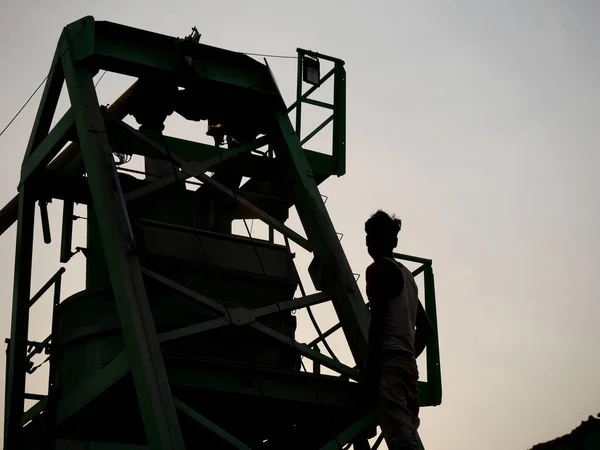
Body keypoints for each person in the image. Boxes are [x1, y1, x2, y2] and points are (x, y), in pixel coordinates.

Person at [364, 210, 433, 449]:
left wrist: (372, 373)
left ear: (387, 240)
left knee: (402, 440)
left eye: (371, 236)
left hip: (389, 364)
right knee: (408, 434)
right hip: (408, 367)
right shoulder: (407, 276)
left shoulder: (377, 270)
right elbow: (425, 330)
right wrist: (407, 354)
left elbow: (378, 325)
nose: (367, 242)